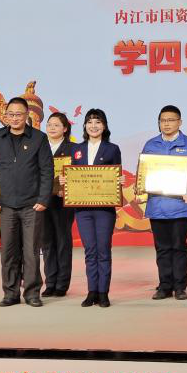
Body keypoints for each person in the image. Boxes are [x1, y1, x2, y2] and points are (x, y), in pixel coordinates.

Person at [0, 96, 53, 307]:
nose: (14, 118)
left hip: (32, 205)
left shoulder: (39, 138)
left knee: (31, 251)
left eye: (19, 114)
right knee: (9, 251)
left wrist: (43, 199)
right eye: (11, 114)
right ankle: (10, 293)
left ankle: (32, 293)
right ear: (6, 116)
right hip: (6, 205)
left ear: (26, 115)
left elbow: (47, 171)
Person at [61, 109, 122, 308]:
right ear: (85, 126)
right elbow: (72, 175)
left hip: (104, 209)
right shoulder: (76, 149)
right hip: (82, 209)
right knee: (90, 250)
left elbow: (116, 175)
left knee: (103, 250)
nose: (93, 126)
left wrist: (119, 180)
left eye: (98, 122)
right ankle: (91, 291)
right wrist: (65, 181)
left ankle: (103, 293)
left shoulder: (112, 149)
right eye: (89, 122)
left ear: (104, 126)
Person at [142, 105, 187, 301]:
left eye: (171, 120)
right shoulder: (150, 145)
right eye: (163, 120)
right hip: (157, 206)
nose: (166, 124)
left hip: (180, 207)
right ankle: (164, 286)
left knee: (179, 247)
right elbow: (143, 173)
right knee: (162, 248)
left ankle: (180, 287)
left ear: (180, 122)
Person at [41, 111, 76, 298]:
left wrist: (67, 183)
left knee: (62, 241)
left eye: (56, 125)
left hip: (63, 201)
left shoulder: (73, 149)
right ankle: (50, 282)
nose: (52, 128)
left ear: (65, 129)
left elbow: (79, 175)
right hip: (43, 201)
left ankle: (62, 284)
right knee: (47, 242)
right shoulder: (40, 146)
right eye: (49, 124)